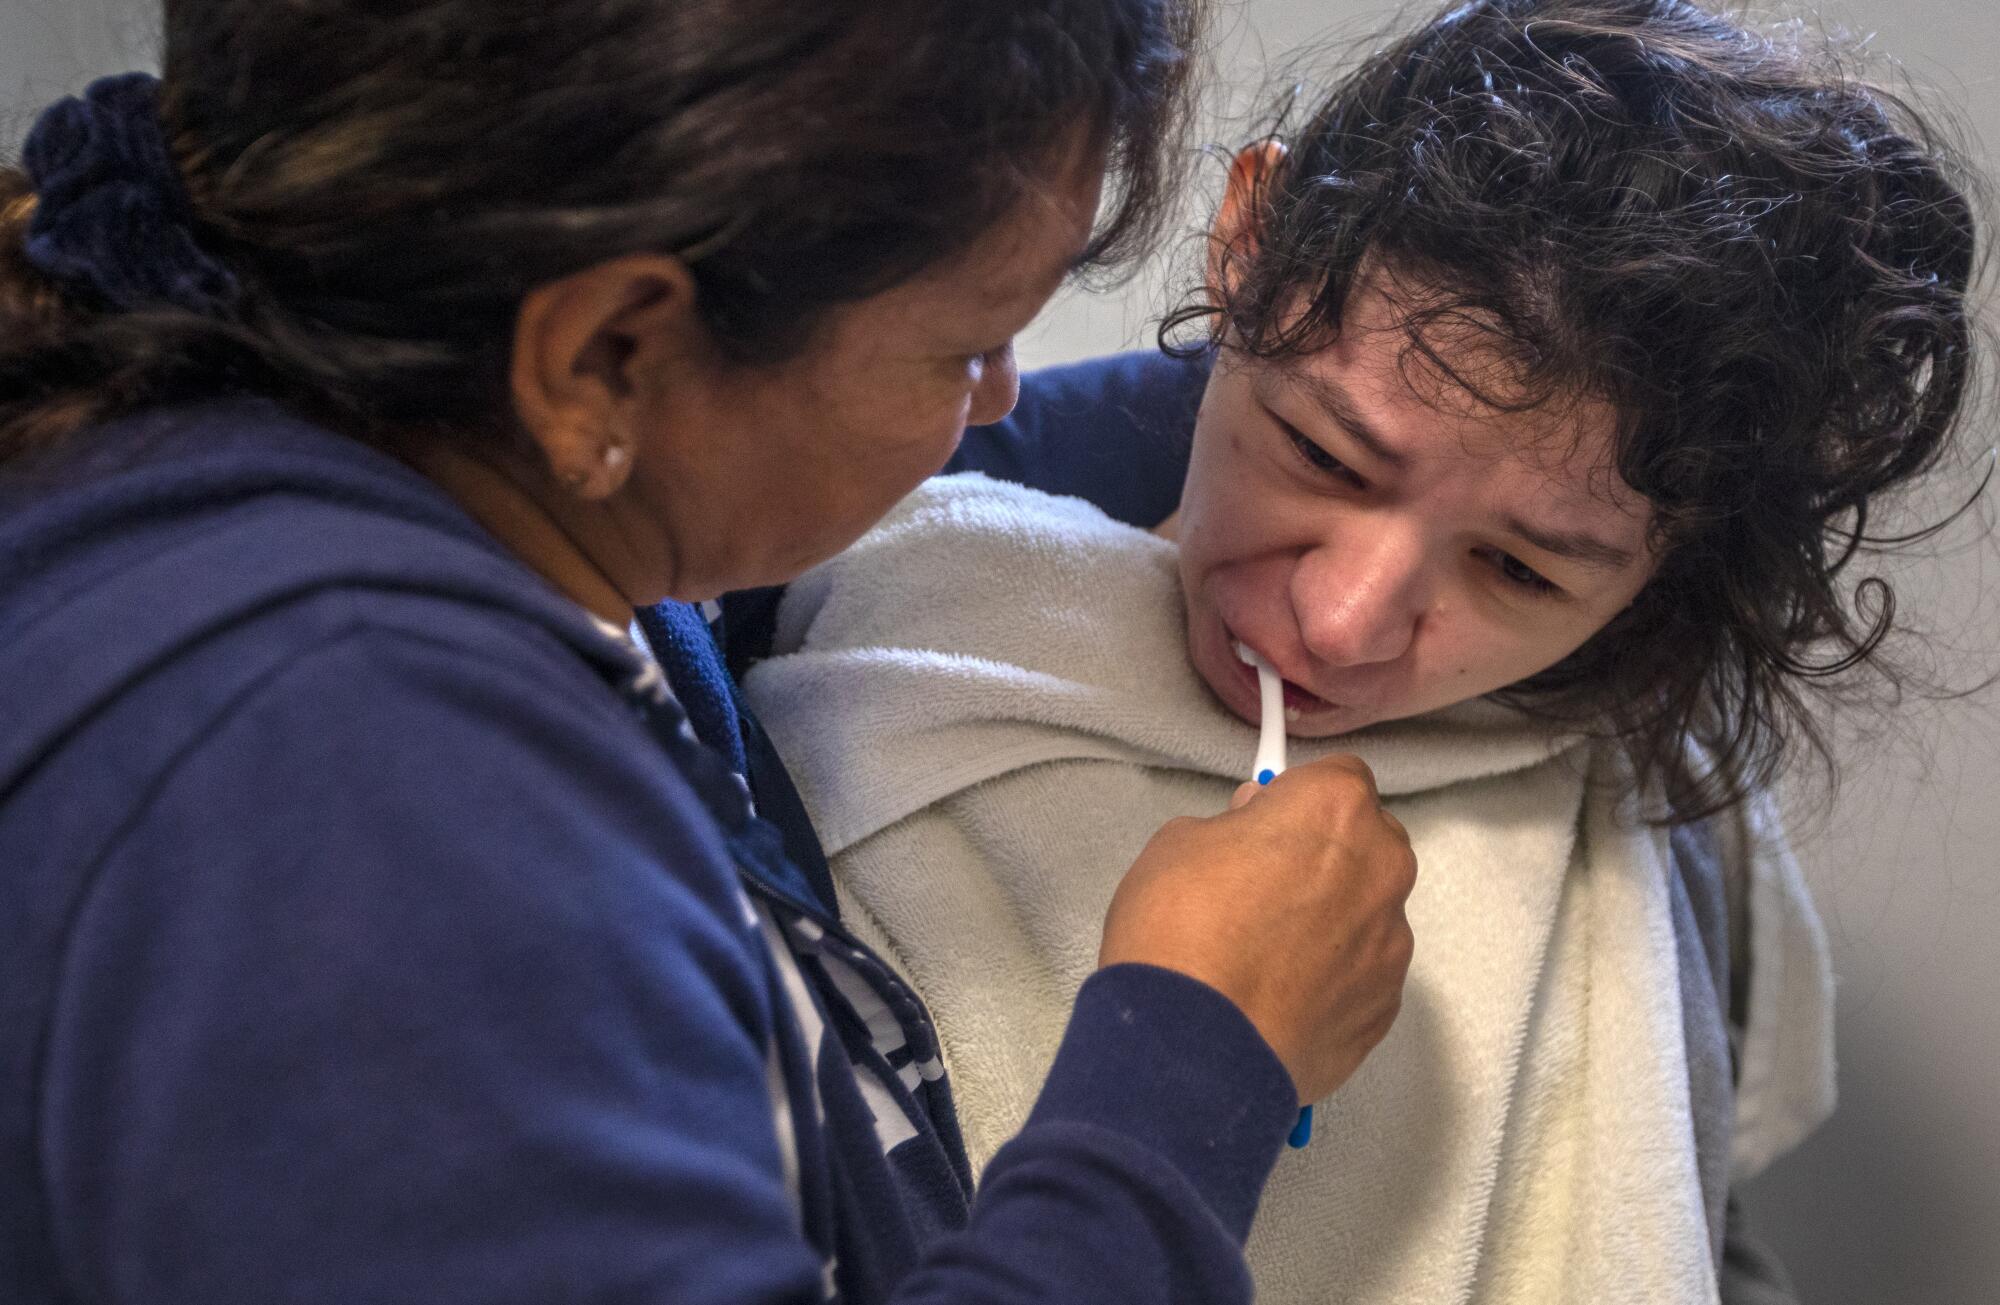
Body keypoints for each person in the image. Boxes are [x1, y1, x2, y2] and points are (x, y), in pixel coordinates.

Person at [0, 4, 1427, 1303]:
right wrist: (1191, 1069)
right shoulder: (349, 816)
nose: (995, 396)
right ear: (608, 356)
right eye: (968, 346)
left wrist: (1373, 435)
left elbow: (996, 443)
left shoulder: (389, 427)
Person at [735, 0, 1986, 1300]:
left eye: (1518, 567)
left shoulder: (1651, 797)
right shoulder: (880, 590)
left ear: (1666, 571)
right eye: (1322, 455)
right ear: (1247, 239)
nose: (1336, 623)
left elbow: (1683, 1228)